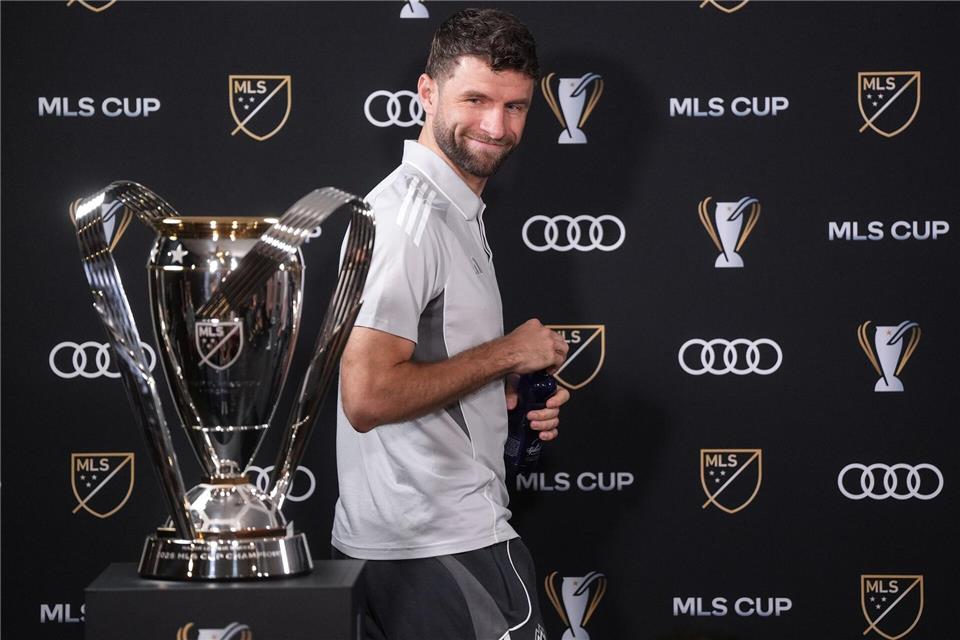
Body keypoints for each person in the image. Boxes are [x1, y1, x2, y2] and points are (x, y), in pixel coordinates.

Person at [332, 8, 571, 640]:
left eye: (516, 107)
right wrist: (507, 354)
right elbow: (367, 395)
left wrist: (510, 396)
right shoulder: (412, 220)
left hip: (417, 545)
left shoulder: (450, 211)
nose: (497, 126)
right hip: (442, 546)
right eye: (476, 99)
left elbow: (425, 370)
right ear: (427, 93)